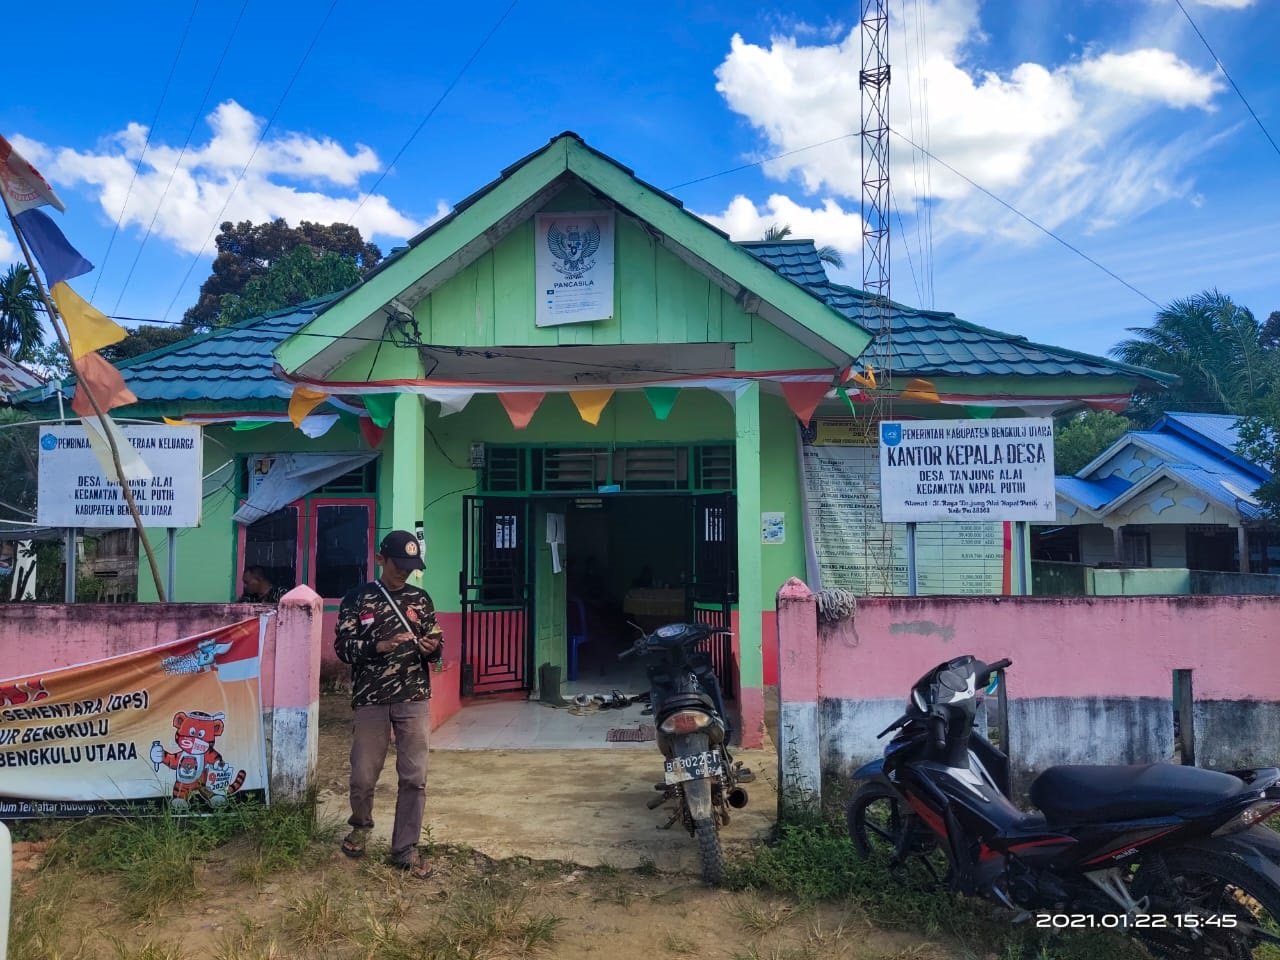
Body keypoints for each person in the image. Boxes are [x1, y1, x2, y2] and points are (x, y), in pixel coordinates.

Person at [333, 529, 443, 879]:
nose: (404, 572)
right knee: (364, 774)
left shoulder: (420, 599)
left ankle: (406, 847)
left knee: (415, 777)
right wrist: (376, 647)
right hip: (371, 699)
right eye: (399, 565)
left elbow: (437, 641)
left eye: (411, 567)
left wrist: (433, 649)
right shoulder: (358, 598)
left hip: (413, 697)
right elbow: (342, 647)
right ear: (381, 559)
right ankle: (361, 827)